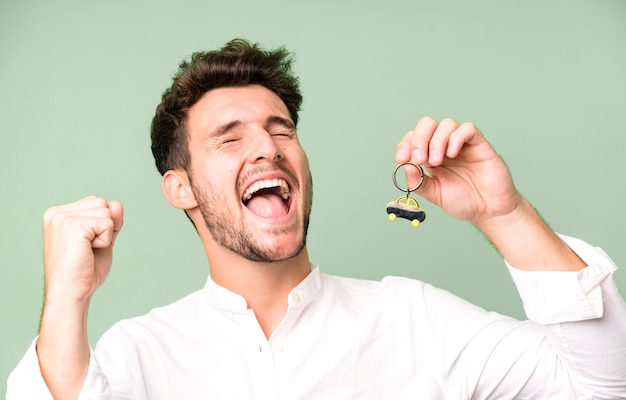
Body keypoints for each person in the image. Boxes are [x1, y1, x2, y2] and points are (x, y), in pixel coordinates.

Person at [7, 38, 626, 399]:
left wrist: (505, 213)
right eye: (229, 138)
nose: (269, 148)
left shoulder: (416, 321)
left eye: (282, 129)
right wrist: (65, 298)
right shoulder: (137, 357)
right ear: (181, 189)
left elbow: (604, 385)